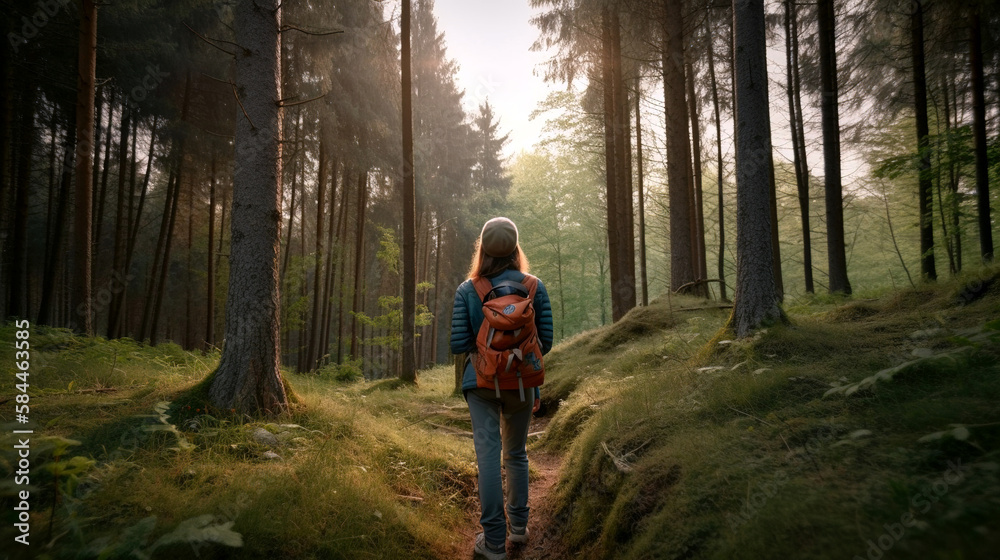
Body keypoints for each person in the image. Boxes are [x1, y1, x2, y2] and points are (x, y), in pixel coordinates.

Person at [450, 217, 554, 560]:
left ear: (483, 248)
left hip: (480, 384)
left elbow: (459, 343)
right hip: (522, 384)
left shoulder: (468, 289)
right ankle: (520, 528)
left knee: (488, 457)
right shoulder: (534, 286)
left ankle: (493, 541)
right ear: (515, 247)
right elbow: (547, 342)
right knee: (517, 454)